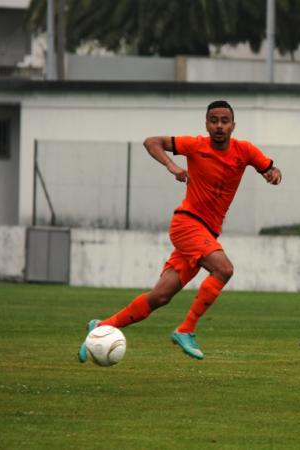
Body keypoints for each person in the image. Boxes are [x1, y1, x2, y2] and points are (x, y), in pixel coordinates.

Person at [78, 100, 282, 361]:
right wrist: (171, 165)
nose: (219, 126)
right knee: (224, 269)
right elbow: (151, 141)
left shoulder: (245, 151)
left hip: (206, 233)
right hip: (187, 224)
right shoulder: (194, 145)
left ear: (233, 125)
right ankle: (186, 329)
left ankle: (103, 326)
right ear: (206, 124)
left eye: (224, 121)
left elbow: (270, 168)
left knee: (160, 296)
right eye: (214, 120)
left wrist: (273, 174)